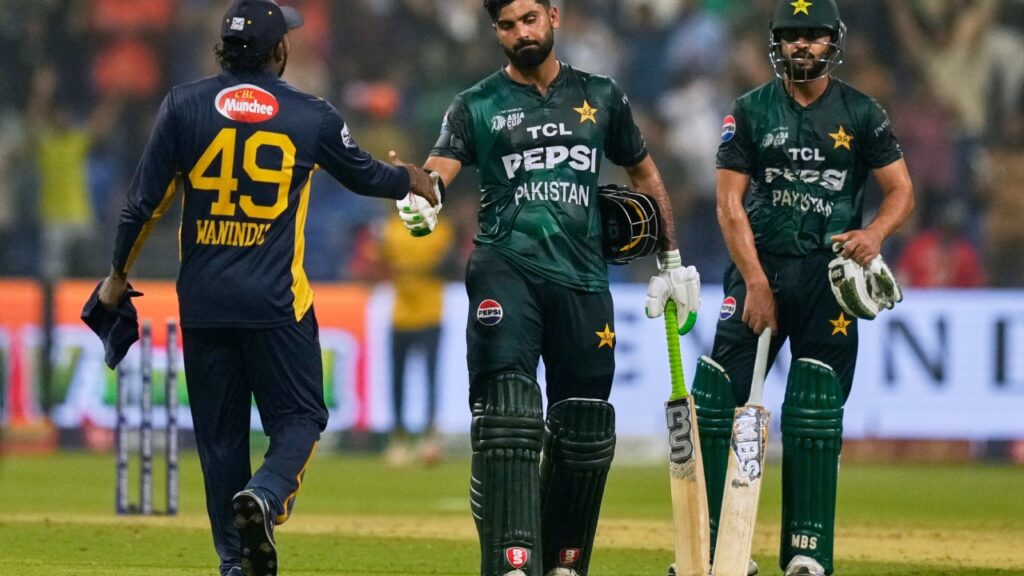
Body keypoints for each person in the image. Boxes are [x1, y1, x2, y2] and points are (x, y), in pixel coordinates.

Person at [94, 2, 439, 575]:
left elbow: (142, 206)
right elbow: (365, 176)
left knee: (220, 441)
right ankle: (268, 492)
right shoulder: (310, 115)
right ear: (280, 50)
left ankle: (235, 562)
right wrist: (411, 177)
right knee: (301, 417)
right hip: (278, 303)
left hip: (203, 303)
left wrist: (116, 278)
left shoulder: (182, 105)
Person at [399, 1, 700, 575]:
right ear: (496, 32)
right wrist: (423, 194)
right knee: (510, 415)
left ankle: (564, 561)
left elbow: (644, 173)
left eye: (530, 19)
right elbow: (438, 171)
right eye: (508, 25)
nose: (522, 33)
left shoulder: (601, 95)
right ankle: (512, 561)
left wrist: (671, 258)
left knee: (585, 425)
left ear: (553, 17)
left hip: (584, 278)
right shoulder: (476, 104)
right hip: (505, 269)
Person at [696, 1, 914, 575]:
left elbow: (901, 191)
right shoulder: (749, 110)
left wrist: (874, 234)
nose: (802, 45)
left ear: (833, 42)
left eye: (814, 35)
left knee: (815, 412)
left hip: (828, 277)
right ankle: (715, 550)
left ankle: (807, 552)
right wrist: (755, 281)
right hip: (758, 270)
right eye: (792, 35)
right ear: (776, 43)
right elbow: (728, 204)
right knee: (718, 406)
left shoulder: (862, 112)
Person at [379, 215, 456, 466]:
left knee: (426, 377)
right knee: (402, 378)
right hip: (404, 315)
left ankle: (427, 437)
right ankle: (400, 438)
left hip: (429, 313)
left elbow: (449, 265)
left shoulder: (397, 229)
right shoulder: (399, 229)